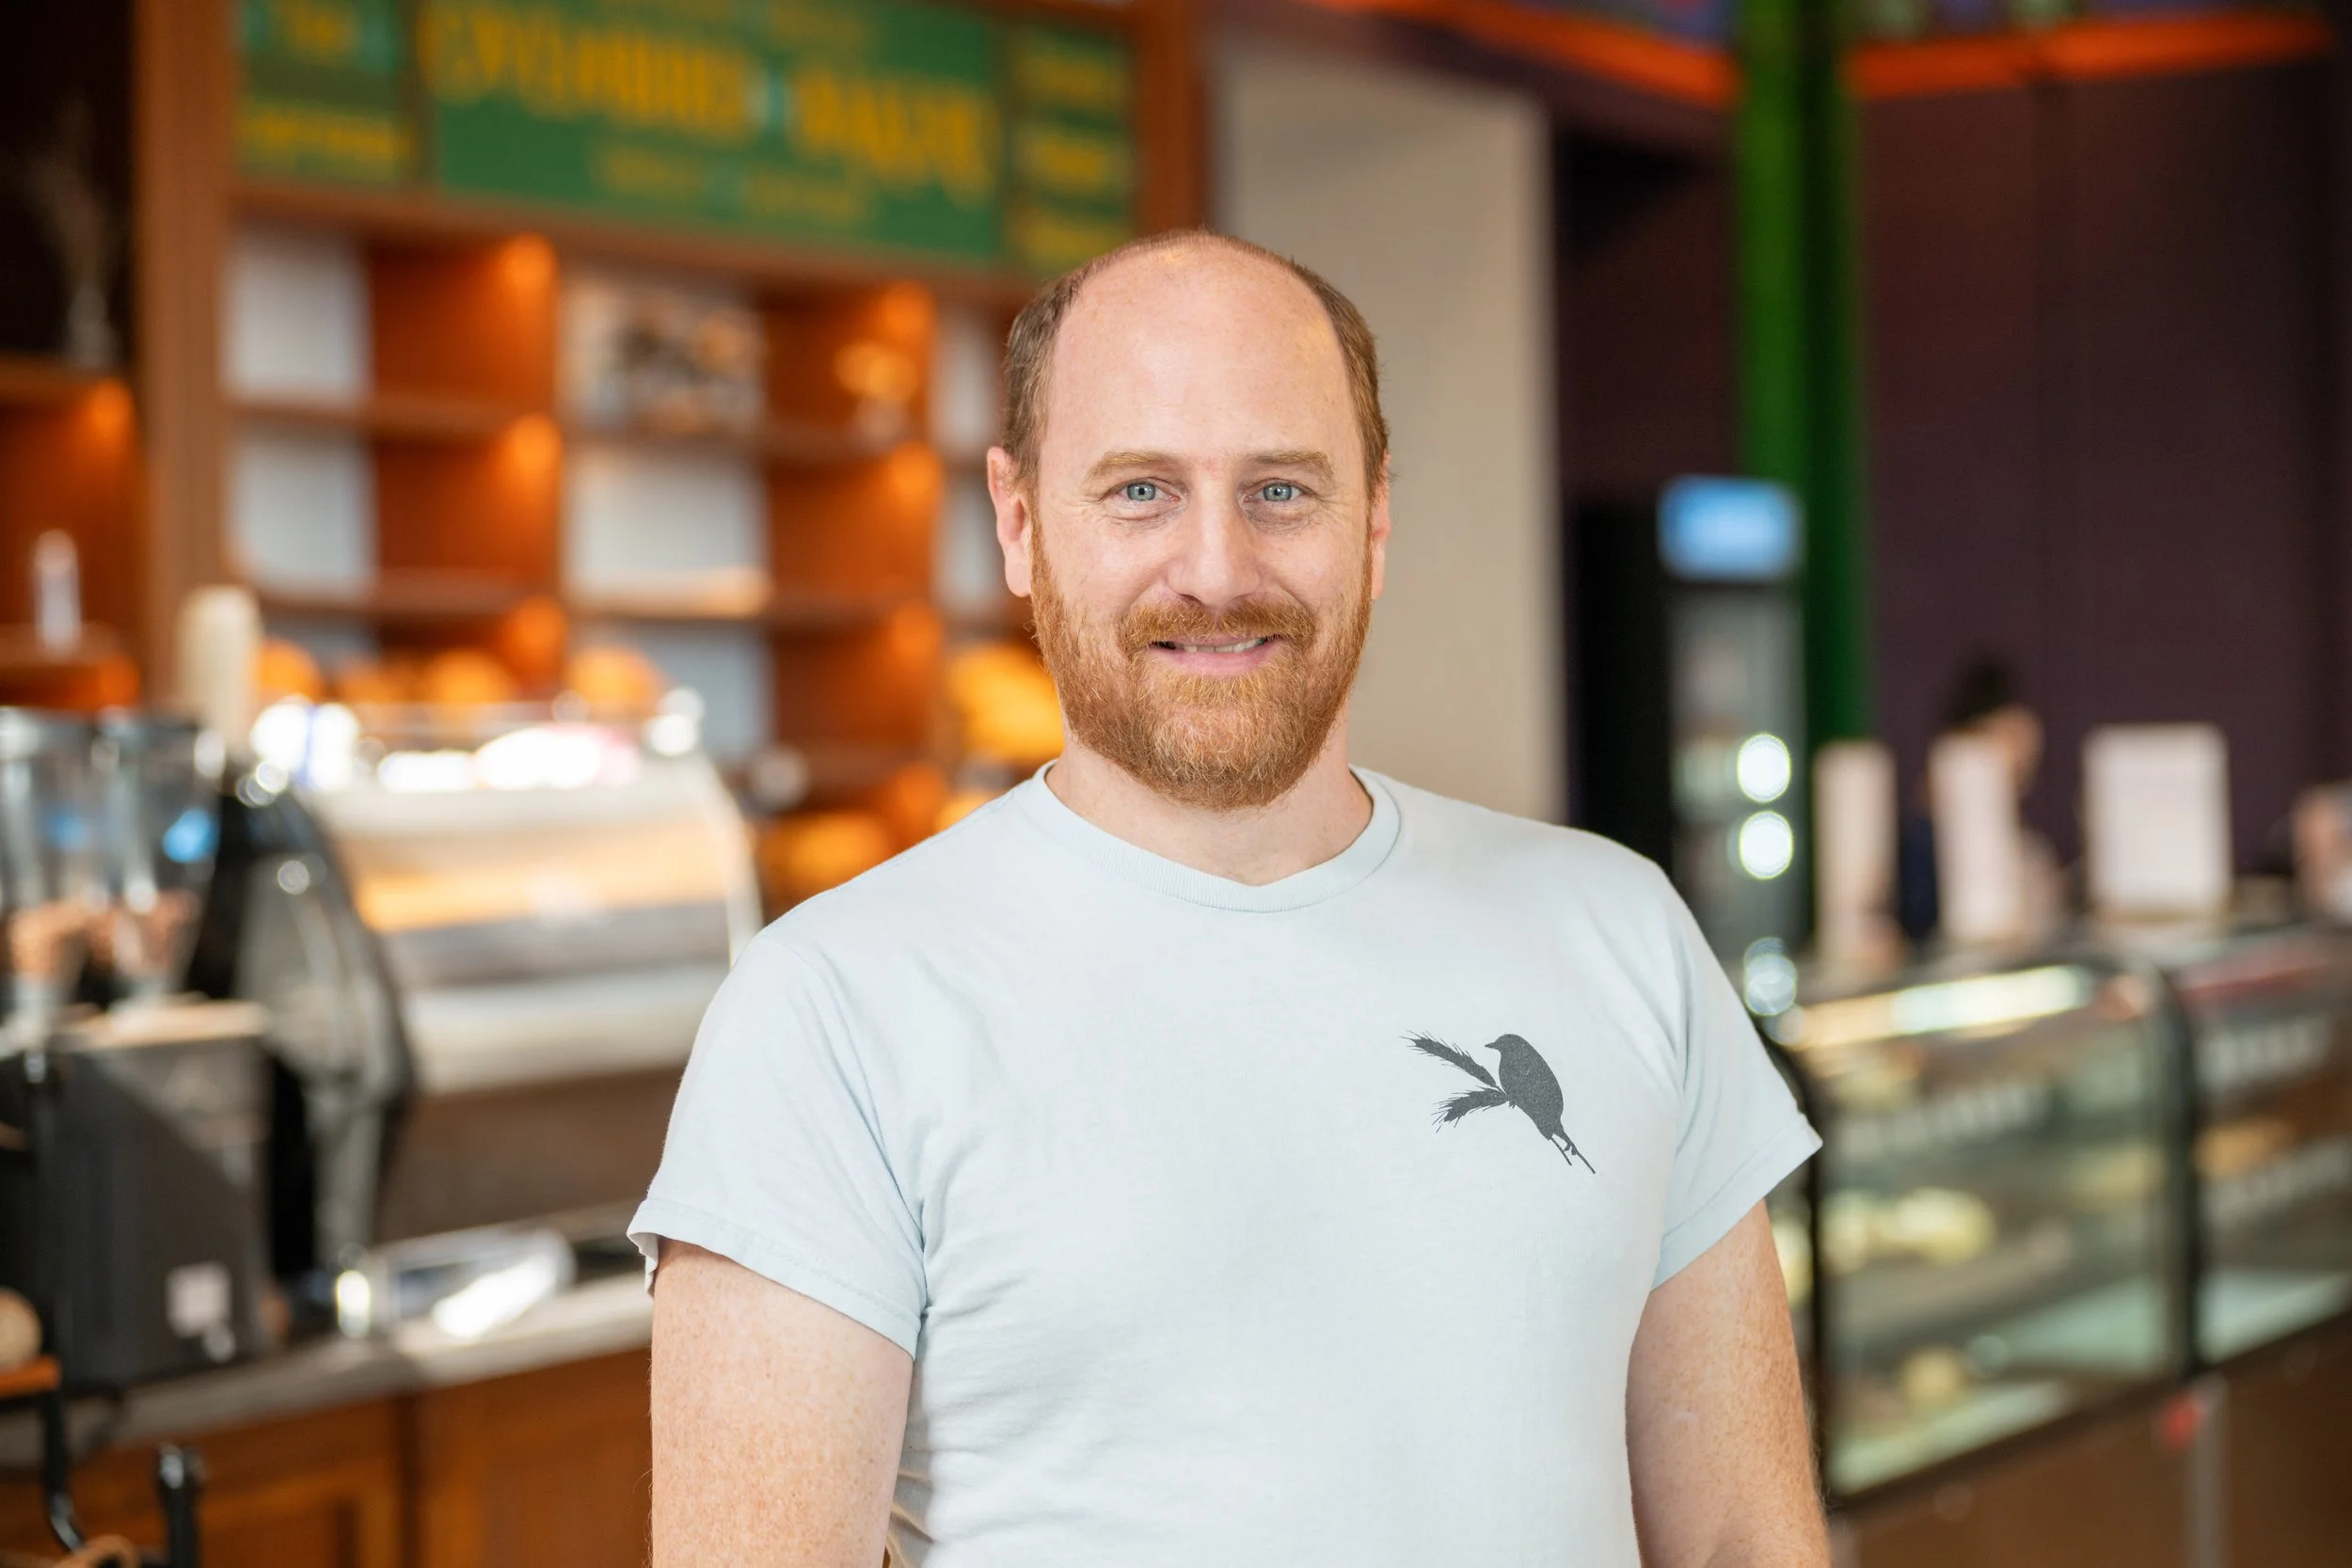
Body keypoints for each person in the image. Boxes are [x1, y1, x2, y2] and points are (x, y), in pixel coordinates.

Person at [632, 232, 1828, 1567]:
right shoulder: (828, 1012)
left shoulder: (1621, 933)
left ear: (1375, 520)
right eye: (1141, 490)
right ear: (1020, 523)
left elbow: (1743, 1539)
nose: (1214, 568)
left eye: (1280, 490)